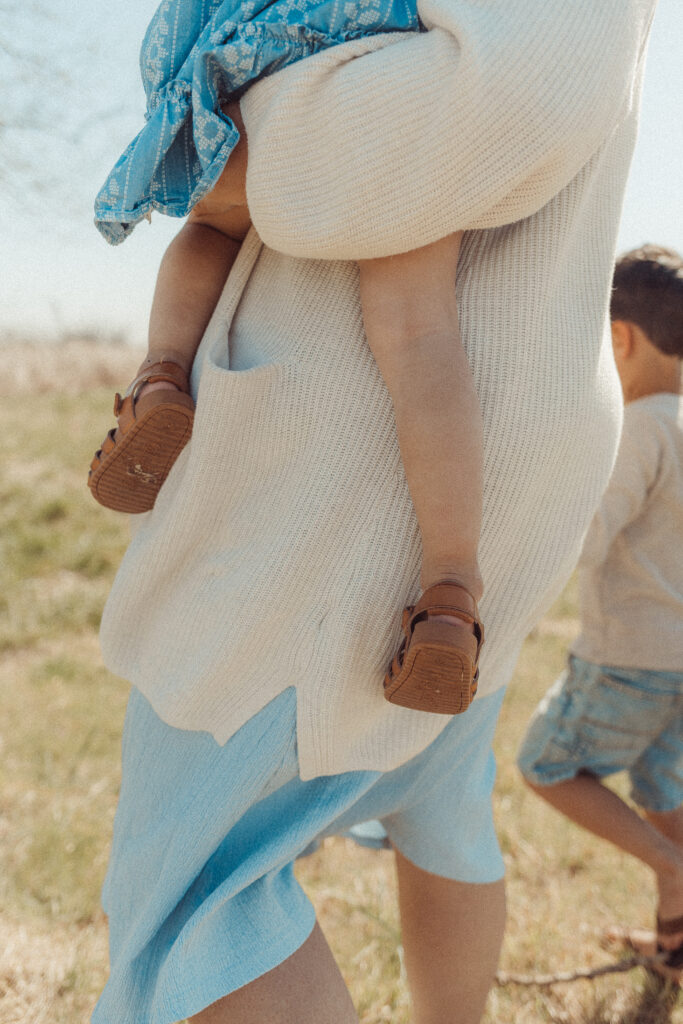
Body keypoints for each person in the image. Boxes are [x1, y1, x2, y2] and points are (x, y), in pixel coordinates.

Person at [91, 3, 658, 1022]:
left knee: (191, 898)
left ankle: (157, 378)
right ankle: (451, 587)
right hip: (483, 429)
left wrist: (242, 131)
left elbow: (442, 131)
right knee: (442, 793)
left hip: (331, 475)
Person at [88, 1, 483, 714]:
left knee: (210, 227)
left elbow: (175, 32)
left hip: (270, 88)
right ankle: (449, 599)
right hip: (399, 89)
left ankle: (160, 377)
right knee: (420, 335)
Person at [517, 245, 683, 983]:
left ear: (618, 338)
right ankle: (678, 946)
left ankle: (670, 871)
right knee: (665, 788)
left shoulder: (639, 427)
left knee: (544, 765)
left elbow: (584, 540)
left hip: (626, 659)